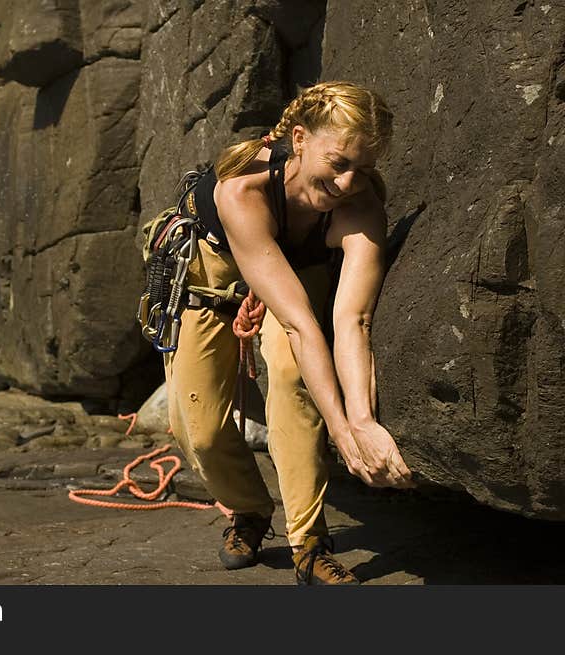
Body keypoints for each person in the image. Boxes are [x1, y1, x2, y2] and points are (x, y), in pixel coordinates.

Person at [162, 80, 414, 585]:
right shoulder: (243, 189)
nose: (346, 183)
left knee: (291, 372)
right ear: (299, 139)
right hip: (212, 273)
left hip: (299, 270)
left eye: (362, 170)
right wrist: (342, 435)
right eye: (338, 163)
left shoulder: (360, 207)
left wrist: (360, 420)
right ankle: (249, 510)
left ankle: (309, 543)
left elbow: (352, 318)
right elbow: (302, 322)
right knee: (200, 430)